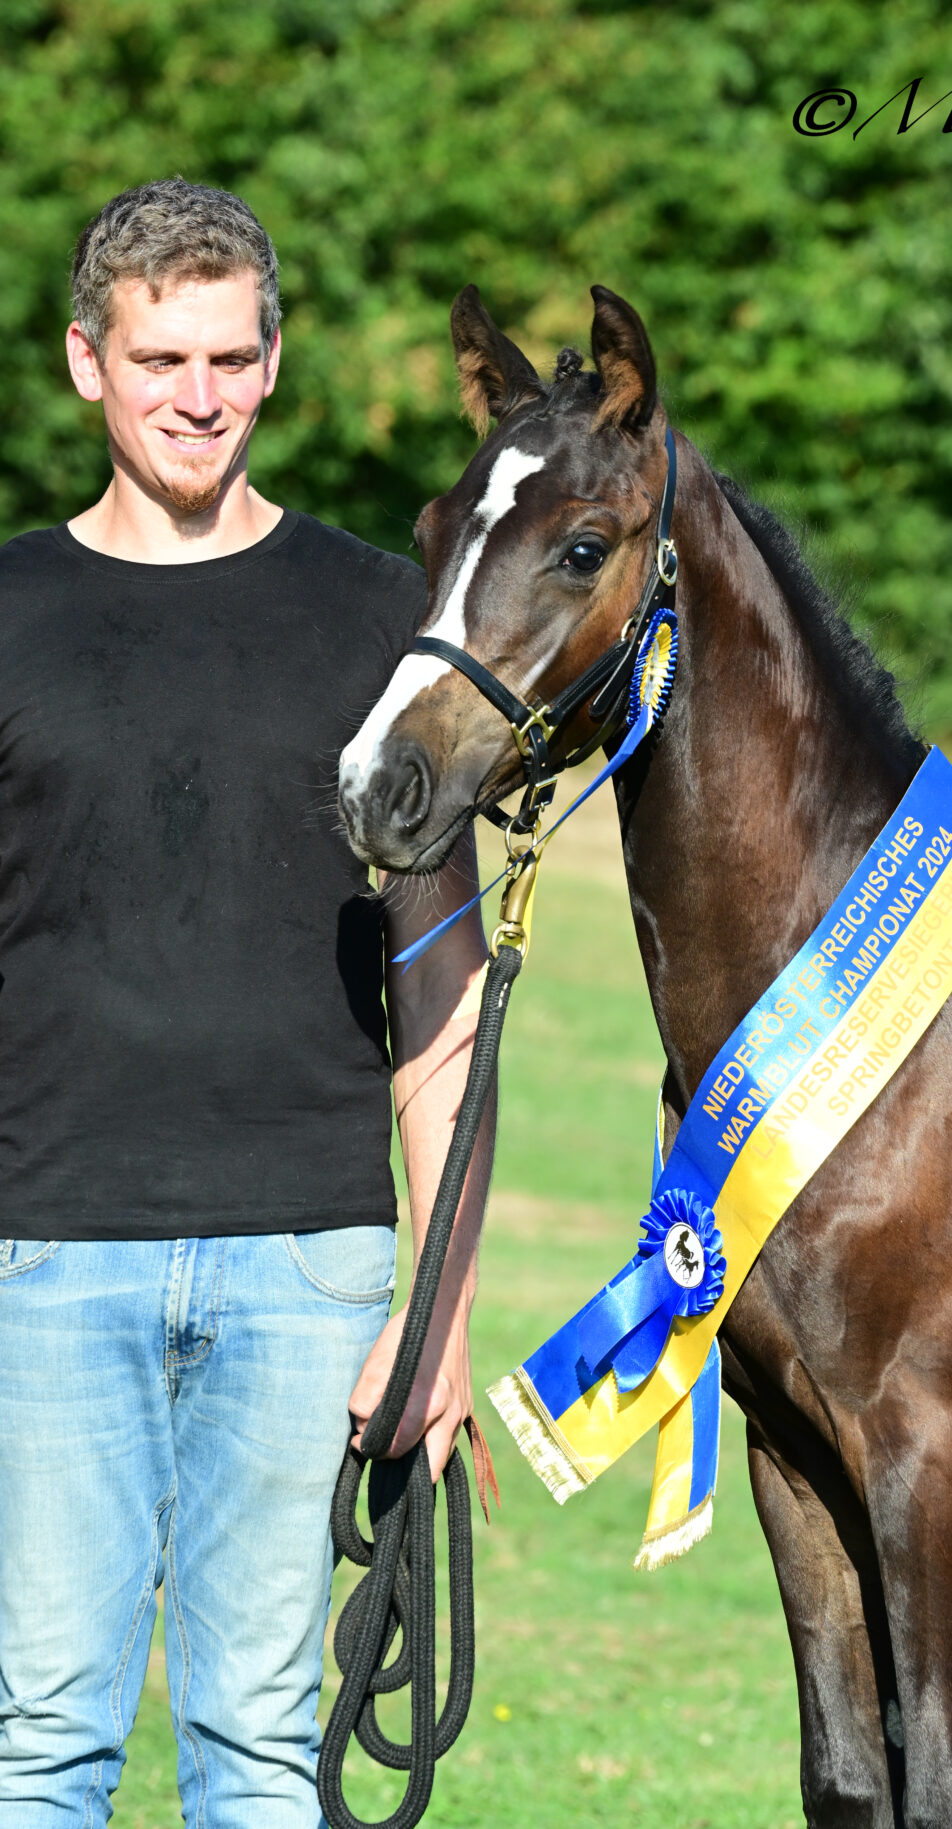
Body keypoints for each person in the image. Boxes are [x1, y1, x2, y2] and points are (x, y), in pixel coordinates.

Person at [0, 179, 492, 1827]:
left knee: (266, 1748)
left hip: (314, 1271)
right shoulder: (6, 612)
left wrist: (442, 1307)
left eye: (228, 356)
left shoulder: (379, 620)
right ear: (88, 362)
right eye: (159, 359)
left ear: (272, 364)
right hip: (44, 1256)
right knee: (43, 1741)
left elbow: (445, 987)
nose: (196, 395)